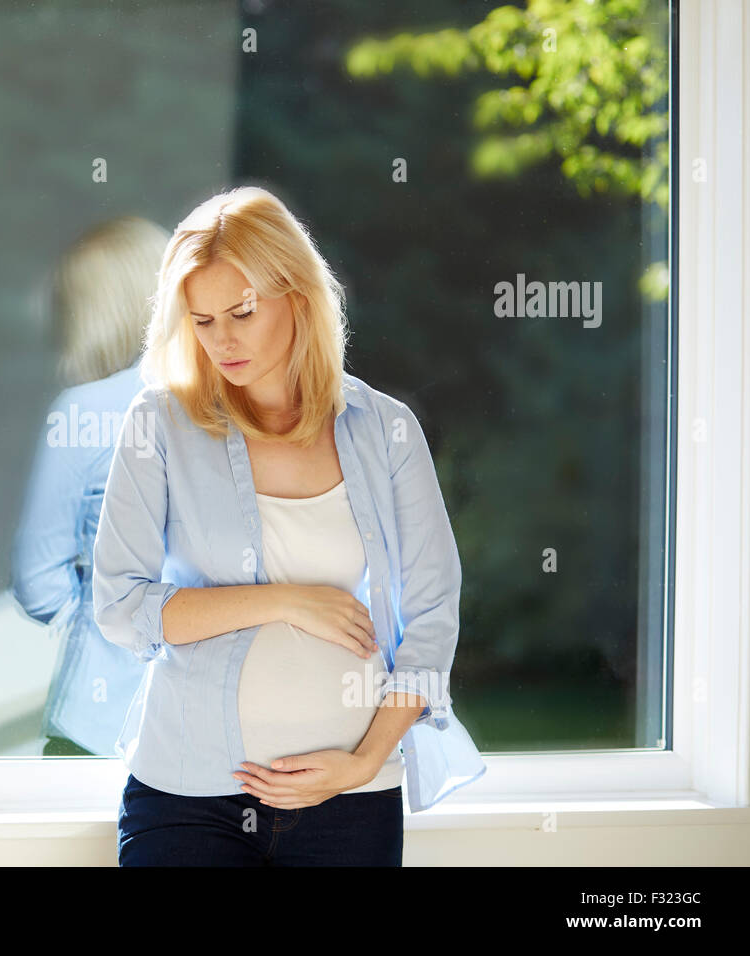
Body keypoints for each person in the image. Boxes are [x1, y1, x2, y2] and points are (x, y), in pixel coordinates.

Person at [92, 186, 486, 866]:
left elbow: (431, 619)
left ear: (297, 296)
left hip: (348, 802)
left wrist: (363, 763)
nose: (223, 340)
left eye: (242, 312)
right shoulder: (159, 426)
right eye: (203, 319)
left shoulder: (386, 431)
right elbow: (121, 609)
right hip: (187, 796)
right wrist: (284, 600)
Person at [11, 215, 171, 757]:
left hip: (94, 731)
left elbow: (37, 583)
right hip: (208, 741)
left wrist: (99, 623)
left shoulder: (82, 412)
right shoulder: (236, 409)